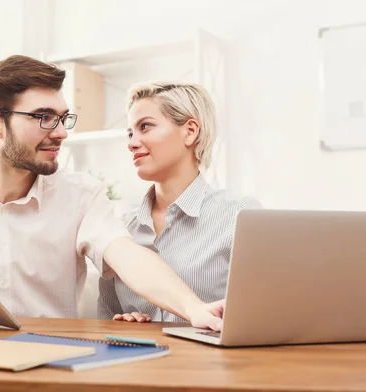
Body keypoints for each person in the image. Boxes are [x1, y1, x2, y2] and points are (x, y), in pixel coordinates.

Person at [0, 55, 225, 331]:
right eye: (43, 118)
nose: (61, 133)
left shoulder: (81, 194)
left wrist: (193, 308)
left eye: (63, 118)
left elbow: (128, 257)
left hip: (47, 360)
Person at [98, 83, 261, 323]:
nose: (131, 143)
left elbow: (261, 315)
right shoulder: (120, 231)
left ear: (190, 131)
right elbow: (105, 319)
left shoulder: (239, 216)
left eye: (145, 126)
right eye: (130, 133)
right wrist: (125, 324)